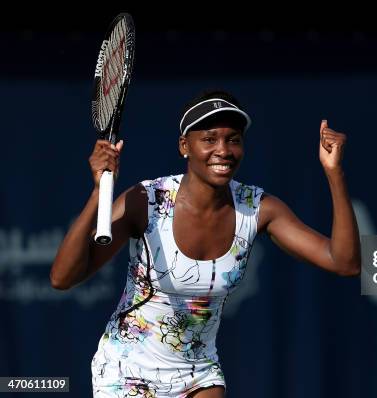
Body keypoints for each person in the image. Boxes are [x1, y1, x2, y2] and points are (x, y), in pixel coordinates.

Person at [50, 90, 361, 398]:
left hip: (199, 373)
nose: (223, 150)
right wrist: (97, 193)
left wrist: (334, 173)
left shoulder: (257, 208)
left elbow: (344, 263)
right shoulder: (145, 201)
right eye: (209, 139)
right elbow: (62, 278)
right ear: (184, 146)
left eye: (233, 139)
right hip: (128, 370)